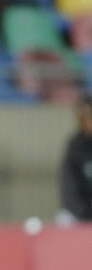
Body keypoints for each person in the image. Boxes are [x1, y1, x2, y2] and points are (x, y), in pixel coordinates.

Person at [58, 92, 92, 224]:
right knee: (65, 218)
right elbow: (69, 186)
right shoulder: (75, 145)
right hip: (80, 213)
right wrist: (84, 213)